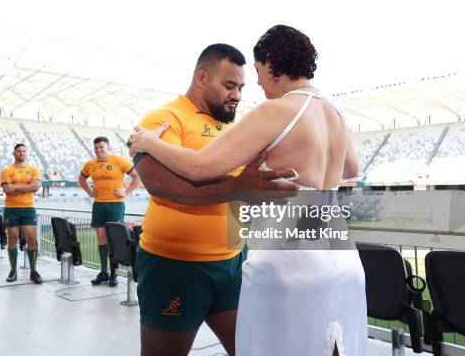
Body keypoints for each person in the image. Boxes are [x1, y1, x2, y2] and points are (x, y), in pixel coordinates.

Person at [130, 26, 366, 356]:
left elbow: (199, 168)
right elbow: (351, 169)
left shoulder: (275, 111)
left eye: (255, 73)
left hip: (288, 256)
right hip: (338, 252)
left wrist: (148, 142)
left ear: (271, 63)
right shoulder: (333, 112)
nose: (253, 85)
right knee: (330, 346)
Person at [130, 43, 298, 356]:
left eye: (241, 87)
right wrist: (238, 187)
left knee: (253, 350)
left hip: (233, 263)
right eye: (229, 85)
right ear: (202, 78)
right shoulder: (164, 119)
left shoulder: (232, 129)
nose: (236, 94)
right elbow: (162, 186)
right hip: (176, 266)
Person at [79, 136, 140, 286]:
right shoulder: (90, 164)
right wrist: (90, 192)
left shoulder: (118, 161)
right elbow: (81, 179)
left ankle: (114, 274)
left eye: (102, 147)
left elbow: (136, 177)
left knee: (114, 239)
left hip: (115, 205)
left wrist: (126, 192)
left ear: (108, 147)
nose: (99, 150)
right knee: (101, 239)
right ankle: (103, 272)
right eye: (96, 148)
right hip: (99, 205)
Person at [0, 143, 43, 284]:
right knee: (12, 239)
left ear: (26, 153)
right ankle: (13, 271)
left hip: (28, 208)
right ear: (14, 154)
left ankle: (34, 271)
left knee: (31, 238)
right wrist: (27, 187)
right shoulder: (7, 170)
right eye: (19, 151)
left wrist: (16, 186)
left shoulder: (34, 170)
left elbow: (36, 187)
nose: (21, 153)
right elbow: (7, 189)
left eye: (24, 151)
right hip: (11, 209)